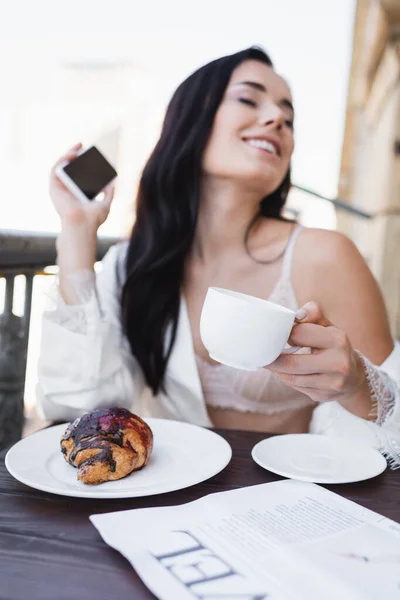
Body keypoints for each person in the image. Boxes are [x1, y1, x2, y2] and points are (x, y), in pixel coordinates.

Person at [37, 47, 400, 467]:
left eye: (289, 116)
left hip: (293, 502)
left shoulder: (324, 255)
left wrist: (357, 386)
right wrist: (78, 234)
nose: (278, 119)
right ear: (190, 120)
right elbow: (82, 406)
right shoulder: (132, 265)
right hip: (170, 499)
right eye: (249, 99)